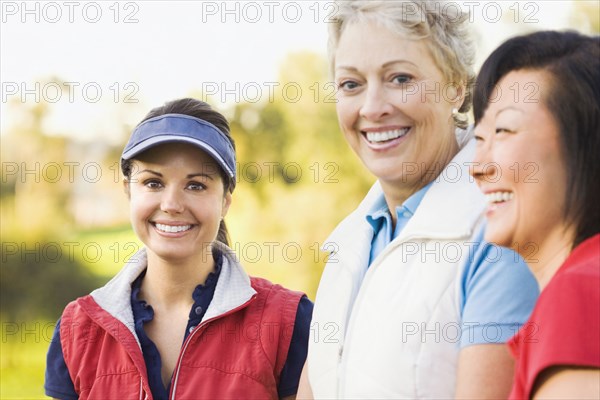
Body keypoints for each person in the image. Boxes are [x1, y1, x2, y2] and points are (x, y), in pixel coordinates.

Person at [298, 1, 539, 398]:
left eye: (400, 78)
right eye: (351, 84)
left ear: (456, 86)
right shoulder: (349, 244)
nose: (372, 108)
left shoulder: (499, 231)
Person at [45, 98, 313, 399]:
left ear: (225, 200)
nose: (171, 205)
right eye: (153, 183)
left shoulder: (288, 323)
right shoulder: (78, 329)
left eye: (196, 185)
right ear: (127, 191)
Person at [471, 30, 600, 399]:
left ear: (586, 147)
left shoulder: (579, 294)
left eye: (504, 131)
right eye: (479, 139)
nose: (478, 167)